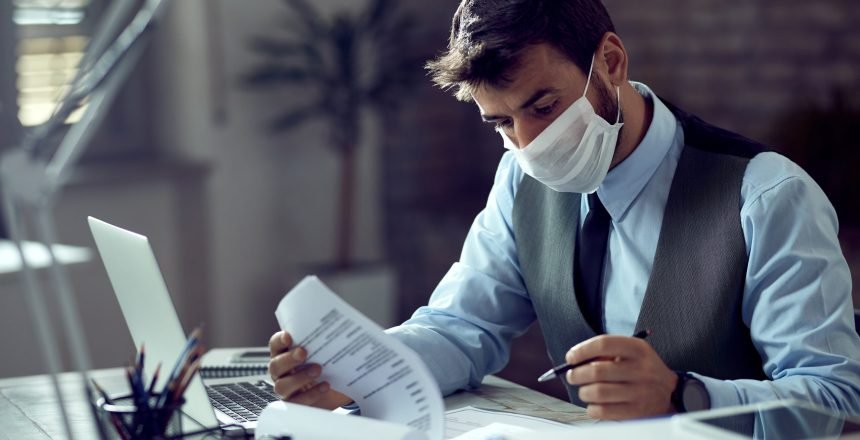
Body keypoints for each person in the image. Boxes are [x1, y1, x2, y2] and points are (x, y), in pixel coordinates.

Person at [268, 0, 860, 420]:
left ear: (612, 62)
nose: (527, 144)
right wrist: (359, 375)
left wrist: (683, 394)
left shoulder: (768, 196)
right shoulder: (518, 181)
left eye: (544, 106)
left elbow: (835, 398)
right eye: (501, 123)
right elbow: (462, 327)